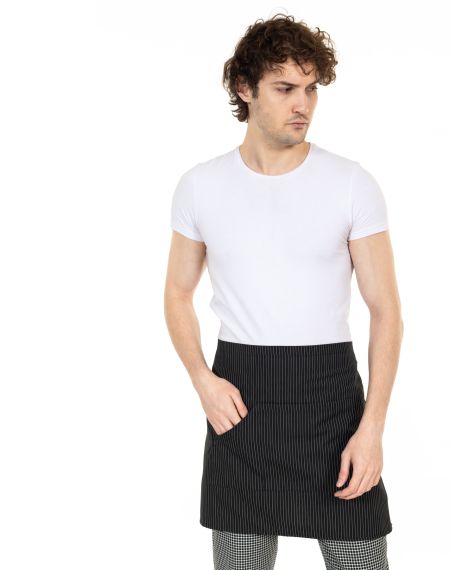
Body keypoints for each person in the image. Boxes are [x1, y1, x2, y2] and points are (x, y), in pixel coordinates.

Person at [164, 13, 403, 570]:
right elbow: (177, 293)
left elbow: (386, 311)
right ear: (244, 88)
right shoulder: (200, 186)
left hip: (332, 400)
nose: (303, 104)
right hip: (240, 400)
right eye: (285, 88)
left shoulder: (351, 183)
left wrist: (372, 428)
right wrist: (202, 379)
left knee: (362, 561)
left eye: (311, 89)